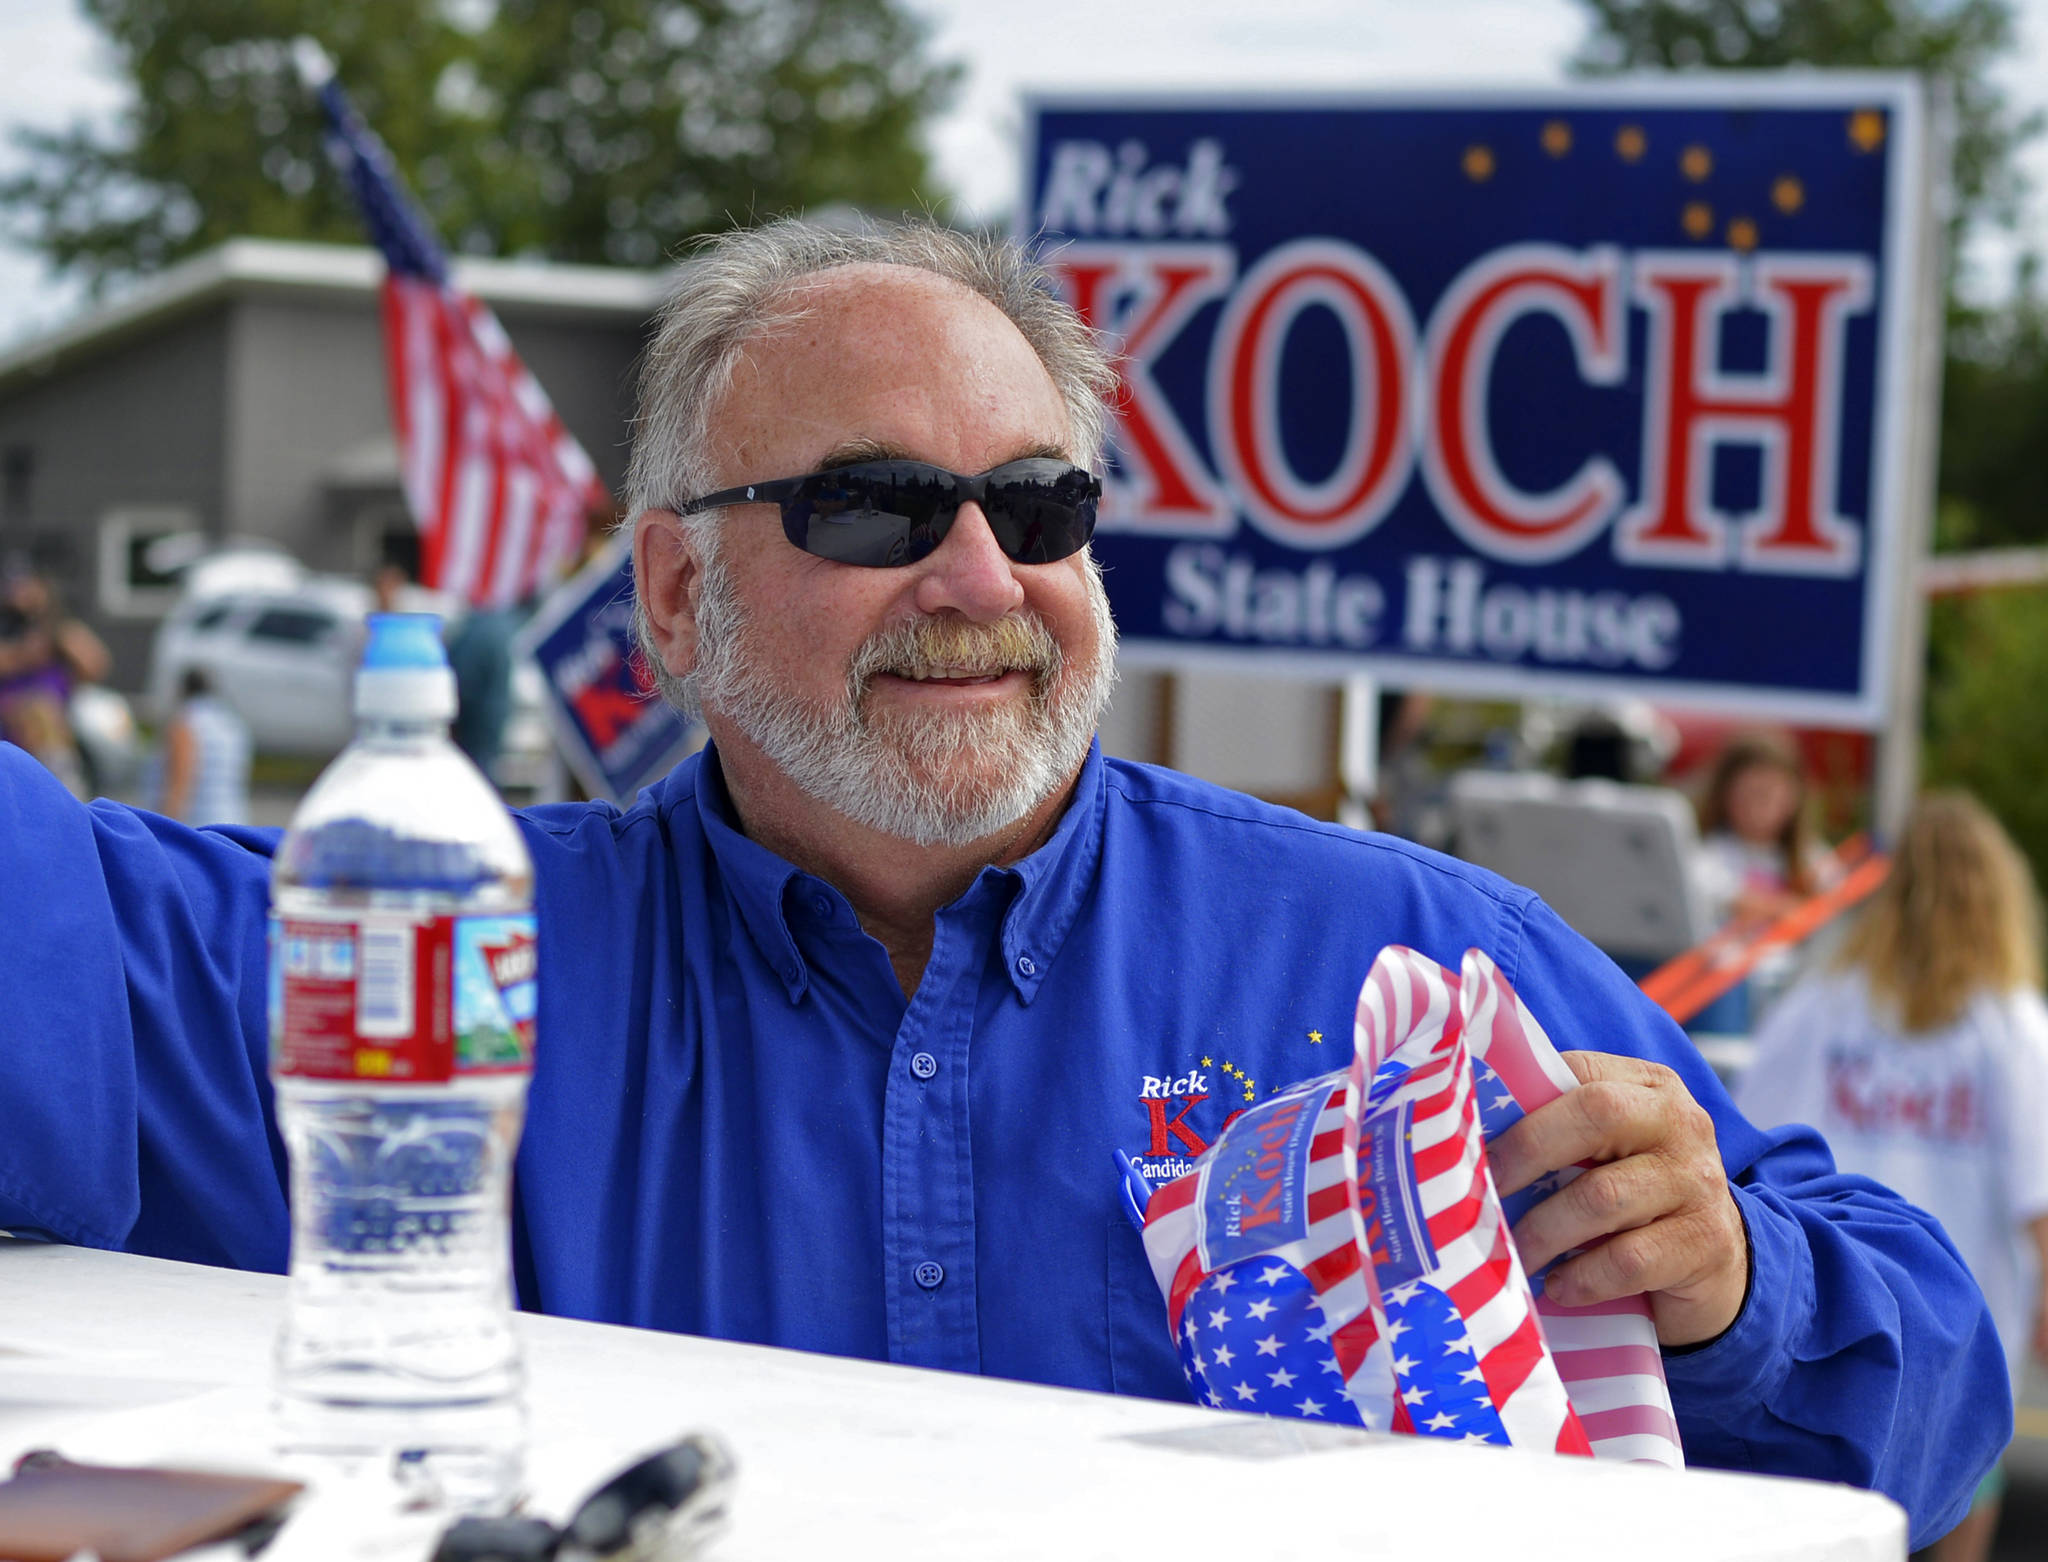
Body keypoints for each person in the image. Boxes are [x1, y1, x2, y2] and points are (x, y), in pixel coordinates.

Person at [0, 220, 2006, 1548]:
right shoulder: (413, 945)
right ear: (672, 590)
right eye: (876, 505)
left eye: (1038, 503)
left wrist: (1730, 1283)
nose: (979, 579)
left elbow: (1931, 1404)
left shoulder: (1405, 953)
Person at [1738, 792, 2048, 1562]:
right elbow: (2040, 1204)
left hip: (1831, 1326)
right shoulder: (2013, 1028)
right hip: (1967, 1343)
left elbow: (1744, 1152)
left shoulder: (1819, 1005)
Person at [0, 566, 111, 797]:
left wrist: (53, 629)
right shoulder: (8, 629)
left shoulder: (59, 631)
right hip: (11, 744)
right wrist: (23, 654)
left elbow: (96, 665)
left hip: (53, 750)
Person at [149, 667, 252, 827]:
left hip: (200, 826)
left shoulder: (185, 722)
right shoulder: (231, 723)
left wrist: (163, 828)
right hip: (234, 820)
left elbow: (179, 782)